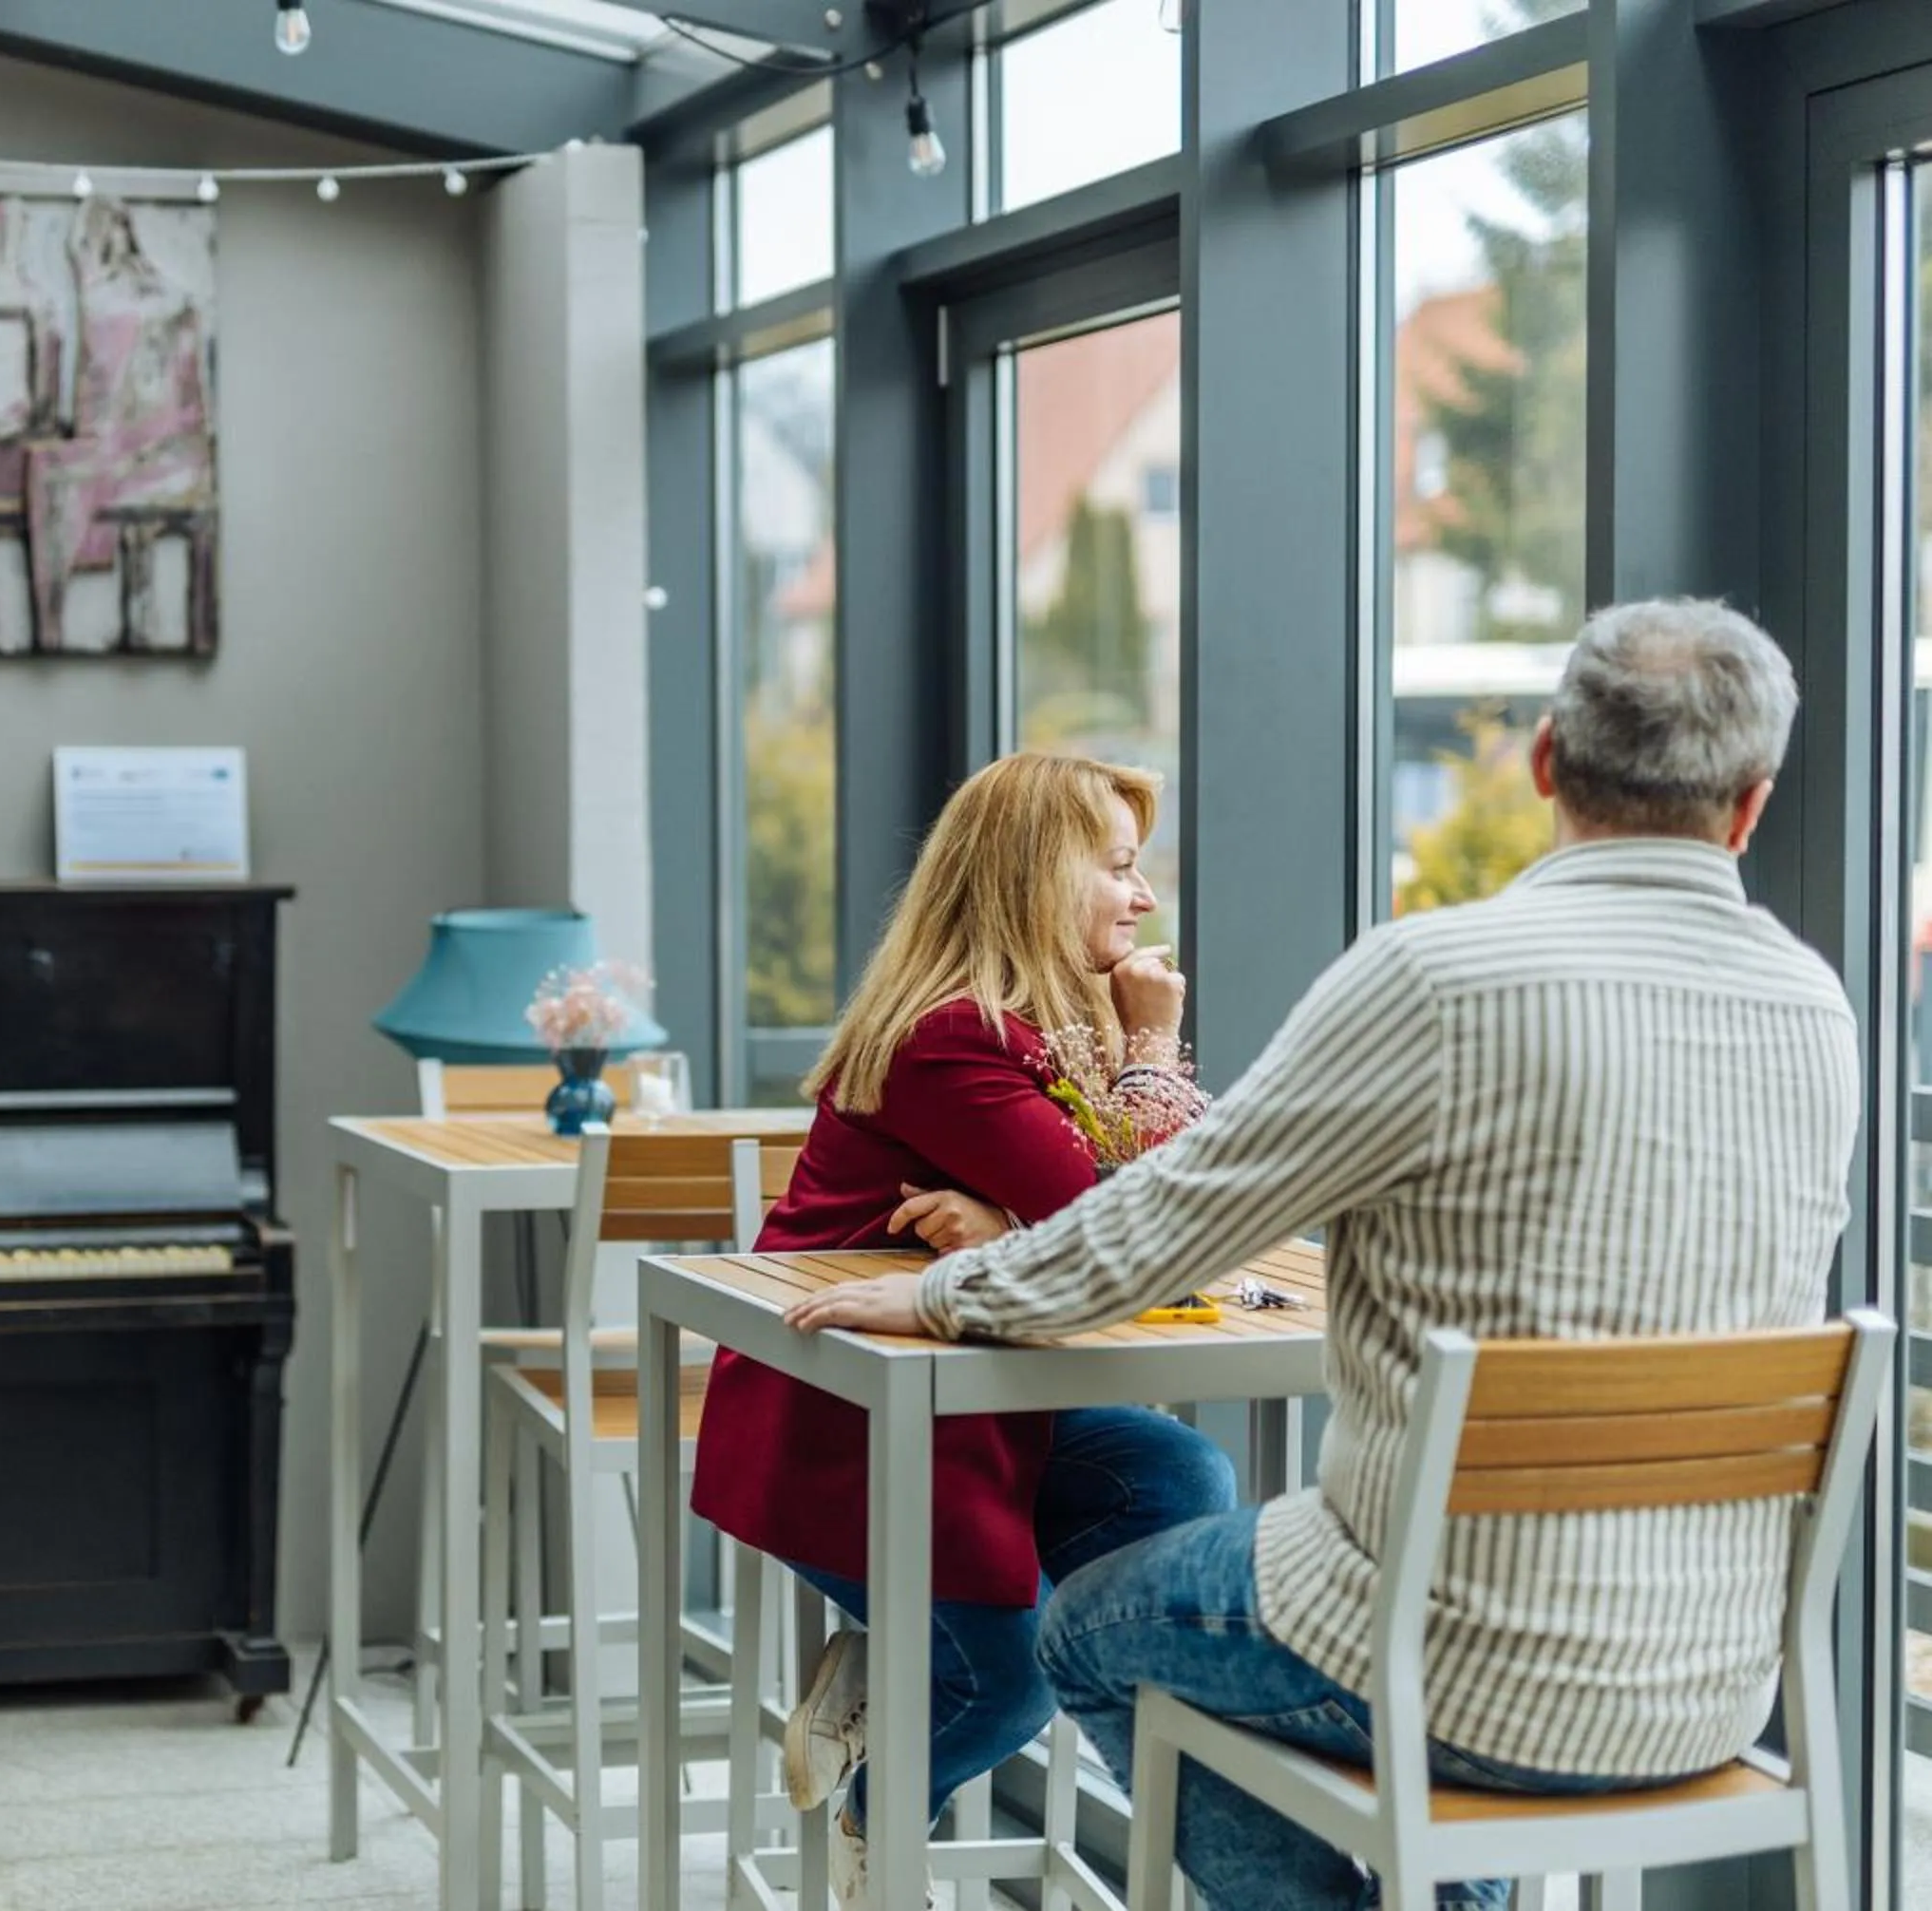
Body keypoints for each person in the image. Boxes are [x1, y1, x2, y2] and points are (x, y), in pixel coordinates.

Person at [781, 599, 1856, 1911]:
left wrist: (949, 1290)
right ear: (1752, 806)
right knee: (1198, 1499)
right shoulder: (1816, 1004)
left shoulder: (1436, 979)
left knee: (1086, 1633)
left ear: (1544, 766)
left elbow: (1167, 1226)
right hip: (1714, 1686)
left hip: (1444, 1660)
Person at [689, 752, 1239, 1909]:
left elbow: (1159, 1216)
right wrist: (1150, 1048)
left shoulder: (1030, 1030)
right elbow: (1128, 1218)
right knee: (1011, 1689)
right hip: (846, 1423)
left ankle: (968, 1666)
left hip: (966, 1406)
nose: (1144, 901)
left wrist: (1006, 1219)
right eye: (1122, 869)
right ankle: (883, 1794)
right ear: (1040, 876)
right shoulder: (951, 1035)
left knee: (1178, 1470)